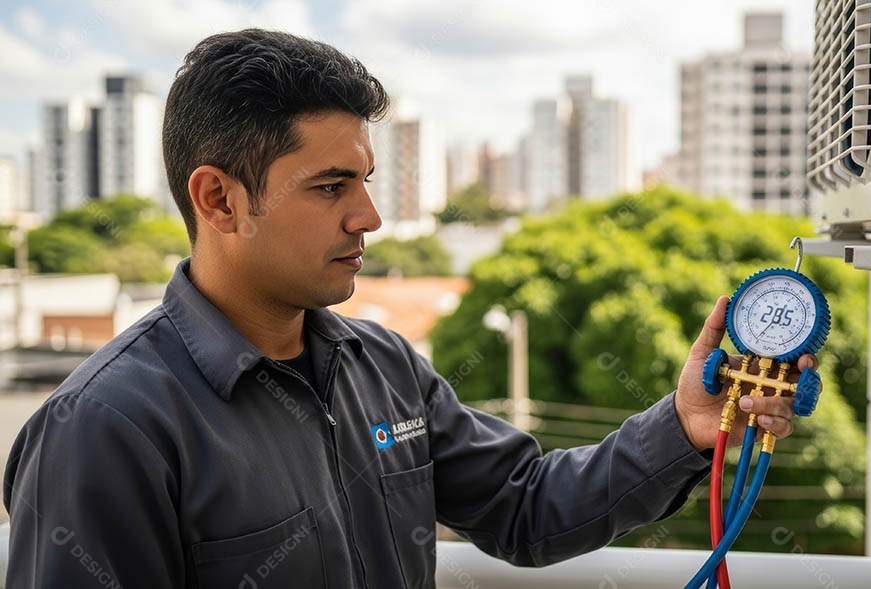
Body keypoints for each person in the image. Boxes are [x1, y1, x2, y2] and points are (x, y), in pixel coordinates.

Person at [3, 29, 815, 589]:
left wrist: (682, 426)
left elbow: (524, 506)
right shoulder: (105, 429)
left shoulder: (381, 366)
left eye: (364, 181)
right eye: (330, 187)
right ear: (218, 198)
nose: (369, 217)